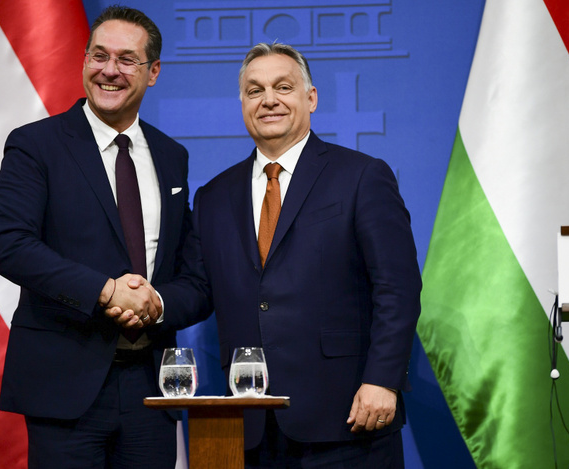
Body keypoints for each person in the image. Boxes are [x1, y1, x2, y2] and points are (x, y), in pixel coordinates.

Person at [155, 43, 422, 467]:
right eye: (255, 90)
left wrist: (382, 381)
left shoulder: (361, 176)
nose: (269, 100)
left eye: (283, 87)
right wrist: (149, 303)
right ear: (242, 102)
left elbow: (398, 287)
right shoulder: (214, 197)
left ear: (310, 98)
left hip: (349, 418)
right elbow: (199, 289)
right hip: (250, 423)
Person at [0, 5, 191, 468]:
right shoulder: (35, 144)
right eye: (99, 55)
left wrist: (156, 303)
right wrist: (106, 291)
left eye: (126, 59)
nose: (109, 71)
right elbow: (9, 244)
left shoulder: (171, 155)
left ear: (153, 72)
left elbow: (185, 266)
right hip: (65, 387)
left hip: (150, 387)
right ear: (84, 62)